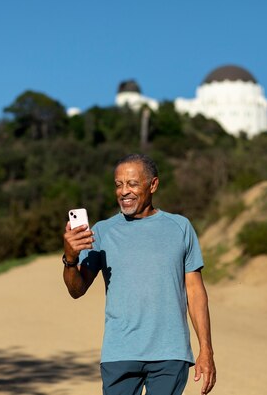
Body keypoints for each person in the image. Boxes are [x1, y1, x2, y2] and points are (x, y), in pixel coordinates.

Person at [62, 154, 216, 395]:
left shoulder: (180, 227)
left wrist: (206, 350)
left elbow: (195, 293)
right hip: (119, 353)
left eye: (132, 184)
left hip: (170, 353)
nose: (124, 191)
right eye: (118, 184)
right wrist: (70, 259)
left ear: (153, 184)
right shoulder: (102, 232)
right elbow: (76, 290)